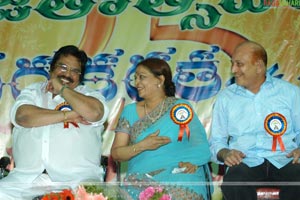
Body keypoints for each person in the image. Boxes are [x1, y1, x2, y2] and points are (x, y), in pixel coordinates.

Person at [0, 45, 109, 199]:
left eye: (75, 71)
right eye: (63, 67)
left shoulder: (89, 95)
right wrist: (68, 115)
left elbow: (95, 112)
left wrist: (62, 89)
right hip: (28, 179)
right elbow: (22, 116)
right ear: (51, 69)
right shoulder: (33, 92)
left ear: (80, 76)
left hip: (78, 179)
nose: (68, 74)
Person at [209, 40, 300, 200]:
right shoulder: (226, 98)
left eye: (239, 64)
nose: (233, 70)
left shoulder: (290, 93)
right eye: (232, 64)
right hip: (245, 162)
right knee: (234, 182)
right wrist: (225, 153)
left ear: (259, 66)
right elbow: (217, 141)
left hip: (285, 159)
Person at [111, 58, 213, 200]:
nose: (137, 83)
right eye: (135, 78)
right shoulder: (129, 111)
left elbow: (199, 142)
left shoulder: (180, 108)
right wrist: (142, 146)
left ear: (160, 80)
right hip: (139, 180)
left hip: (177, 174)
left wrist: (193, 162)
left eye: (142, 77)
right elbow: (116, 153)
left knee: (184, 184)